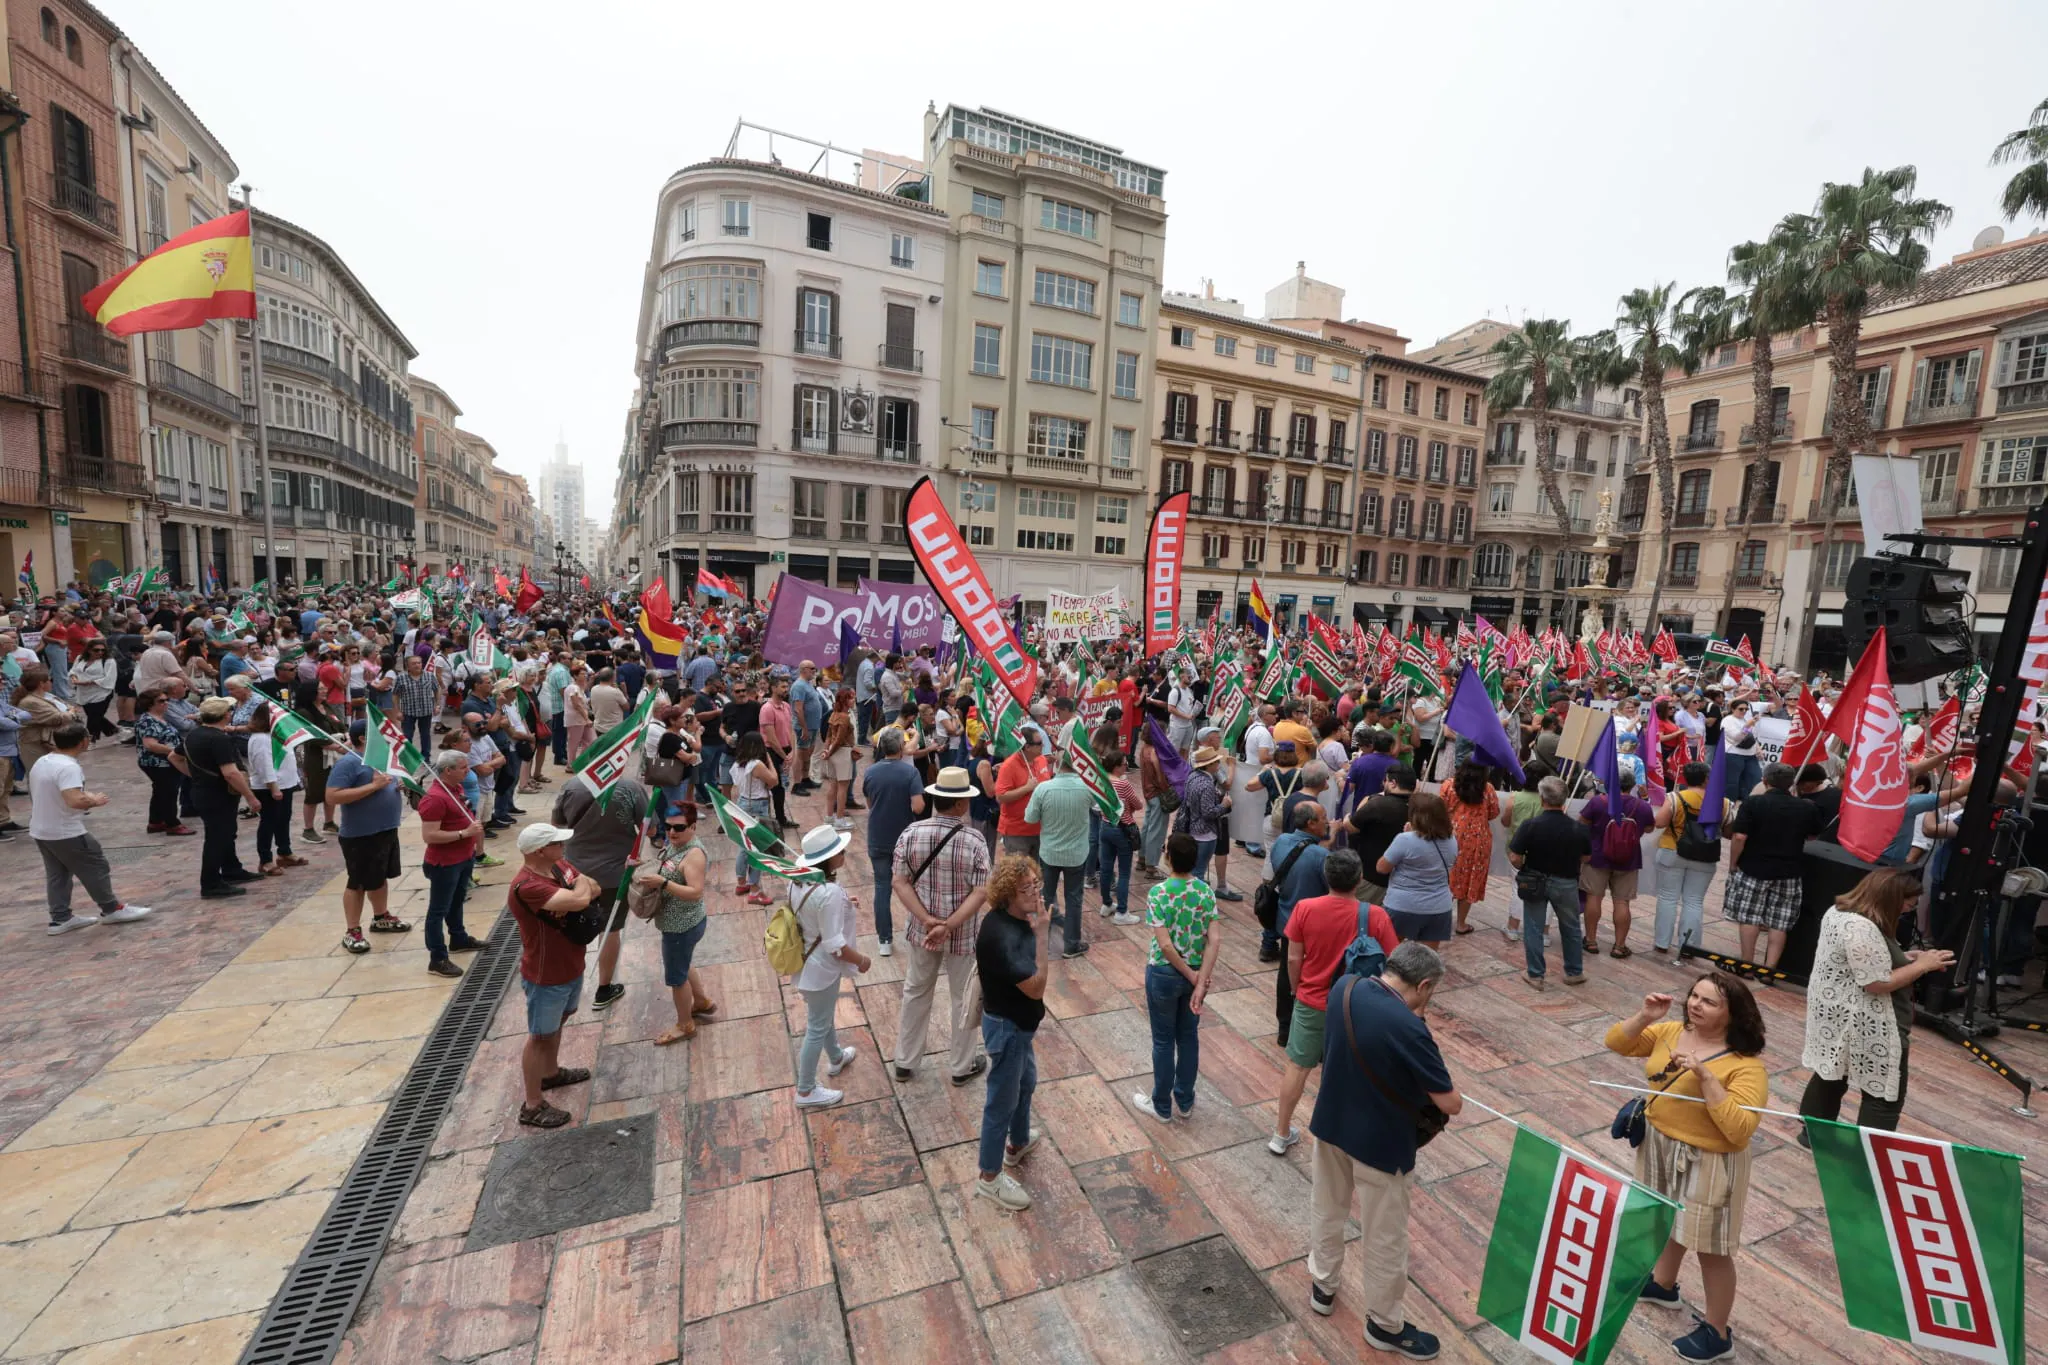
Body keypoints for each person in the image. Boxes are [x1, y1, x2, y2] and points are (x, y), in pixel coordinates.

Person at [1306, 942, 1461, 1357]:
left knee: (1327, 1210)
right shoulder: (1410, 1028)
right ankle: (1384, 1325)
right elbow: (1451, 1103)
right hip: (1380, 1145)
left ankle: (1322, 1287)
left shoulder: (1346, 986)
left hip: (1330, 1123)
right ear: (1423, 985)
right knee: (1385, 1237)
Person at [1607, 975, 1770, 1362]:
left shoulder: (1747, 1068)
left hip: (1710, 1159)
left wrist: (1706, 1076)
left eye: (1709, 1002)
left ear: (1734, 1015)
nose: (1696, 1005)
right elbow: (1617, 1042)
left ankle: (1717, 1333)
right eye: (1694, 996)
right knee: (1665, 1218)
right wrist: (1644, 1015)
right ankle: (1663, 1285)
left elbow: (1739, 1130)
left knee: (1711, 1248)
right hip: (1660, 1144)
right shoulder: (1670, 1031)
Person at [1797, 868, 1951, 1136]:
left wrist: (1904, 958)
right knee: (1884, 1096)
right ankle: (1871, 1156)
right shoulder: (1862, 928)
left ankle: (1813, 1136)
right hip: (1867, 1021)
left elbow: (1862, 960)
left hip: (1834, 1014)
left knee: (1831, 1072)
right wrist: (1923, 966)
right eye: (1906, 904)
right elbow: (1876, 983)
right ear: (1890, 897)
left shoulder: (1839, 912)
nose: (1906, 910)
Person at [1270, 848, 1394, 1156]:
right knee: (1346, 1073)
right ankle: (1337, 1139)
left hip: (1312, 999)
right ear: (1360, 878)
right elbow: (1392, 962)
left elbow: (1293, 957)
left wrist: (1298, 990)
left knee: (1298, 1067)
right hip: (1356, 1006)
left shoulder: (1304, 909)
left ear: (1326, 877)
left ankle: (1281, 1132)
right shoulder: (1375, 915)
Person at [889, 766, 993, 1084]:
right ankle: (961, 1067)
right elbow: (981, 892)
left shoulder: (911, 834)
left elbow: (900, 882)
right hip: (962, 934)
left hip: (922, 931)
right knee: (964, 997)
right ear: (961, 803)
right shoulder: (974, 840)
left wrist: (927, 920)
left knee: (916, 991)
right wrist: (948, 925)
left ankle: (905, 1061)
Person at [506, 822, 599, 1128]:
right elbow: (582, 898)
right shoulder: (528, 886)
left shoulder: (557, 866)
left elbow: (593, 886)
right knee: (539, 1036)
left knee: (559, 1022)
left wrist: (578, 891)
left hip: (570, 963)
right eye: (557, 843)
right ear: (539, 851)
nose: (563, 847)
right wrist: (577, 892)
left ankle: (550, 1072)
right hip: (546, 973)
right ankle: (532, 1105)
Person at [973, 853, 1049, 1211]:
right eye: (1025, 890)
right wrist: (1044, 937)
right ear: (1007, 896)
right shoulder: (1000, 934)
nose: (1034, 893)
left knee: (1026, 1083)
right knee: (1000, 1103)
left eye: (1035, 884)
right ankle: (989, 1178)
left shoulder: (1017, 918)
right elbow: (1035, 987)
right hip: (1007, 1028)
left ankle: (1017, 1144)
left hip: (1020, 1025)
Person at [31, 721, 152, 933]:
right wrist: (93, 800)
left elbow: (56, 791)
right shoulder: (69, 767)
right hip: (66, 830)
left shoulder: (44, 760)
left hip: (42, 829)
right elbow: (73, 800)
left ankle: (60, 918)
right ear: (83, 742)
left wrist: (83, 796)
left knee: (57, 874)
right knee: (96, 866)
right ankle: (111, 908)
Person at [1135, 832, 1220, 1122]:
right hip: (1195, 972)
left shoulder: (1158, 893)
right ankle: (1184, 1100)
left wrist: (1190, 975)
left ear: (1168, 856)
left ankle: (1161, 1105)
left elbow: (1166, 945)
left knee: (1162, 1041)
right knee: (1188, 1037)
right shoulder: (1205, 892)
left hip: (1164, 973)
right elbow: (1214, 940)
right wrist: (1200, 979)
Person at [552, 774, 649, 1011]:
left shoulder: (570, 786)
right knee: (611, 929)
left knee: (572, 926)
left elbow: (556, 826)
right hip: (616, 873)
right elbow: (650, 826)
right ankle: (603, 988)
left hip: (575, 872)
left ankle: (565, 985)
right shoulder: (631, 787)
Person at [791, 822, 870, 1109]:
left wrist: (843, 902)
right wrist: (861, 960)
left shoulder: (797, 881)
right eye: (840, 850)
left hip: (805, 962)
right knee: (816, 1026)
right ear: (829, 859)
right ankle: (806, 1090)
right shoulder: (829, 892)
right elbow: (834, 944)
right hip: (820, 969)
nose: (844, 853)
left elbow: (813, 913)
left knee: (821, 1016)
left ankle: (836, 1056)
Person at [1723, 762, 1821, 971]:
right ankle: (1769, 969)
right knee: (1780, 922)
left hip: (1754, 868)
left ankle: (1747, 964)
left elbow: (1739, 836)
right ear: (1790, 784)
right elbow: (1813, 834)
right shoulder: (1806, 807)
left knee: (1750, 917)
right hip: (1790, 872)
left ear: (1765, 781)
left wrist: (1733, 863)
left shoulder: (1753, 803)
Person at [326, 720, 414, 950]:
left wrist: (395, 786)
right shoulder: (349, 763)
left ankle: (381, 916)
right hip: (360, 834)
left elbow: (384, 783)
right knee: (358, 882)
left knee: (380, 876)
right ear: (364, 738)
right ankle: (352, 930)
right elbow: (333, 796)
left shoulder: (382, 760)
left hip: (385, 829)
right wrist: (374, 787)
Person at [636, 800, 716, 1045]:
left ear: (693, 827)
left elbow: (696, 891)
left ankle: (685, 1024)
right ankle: (701, 1001)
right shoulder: (676, 846)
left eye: (679, 828)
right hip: (680, 923)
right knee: (683, 962)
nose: (672, 832)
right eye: (669, 827)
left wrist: (663, 883)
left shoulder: (693, 855)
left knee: (676, 978)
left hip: (681, 925)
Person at [1508, 776, 1591, 990]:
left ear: (1542, 798)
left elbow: (1515, 856)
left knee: (1534, 927)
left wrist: (1523, 868)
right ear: (1564, 799)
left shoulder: (1531, 825)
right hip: (1566, 882)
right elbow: (1586, 857)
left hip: (1535, 880)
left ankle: (1535, 975)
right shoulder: (1578, 828)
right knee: (1571, 927)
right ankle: (1574, 972)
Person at [180, 695, 263, 899]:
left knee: (226, 833)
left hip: (203, 791)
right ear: (226, 716)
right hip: (218, 794)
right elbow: (230, 773)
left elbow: (175, 757)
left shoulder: (194, 734)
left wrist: (194, 775)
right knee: (217, 839)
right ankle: (210, 883)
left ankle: (231, 869)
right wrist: (250, 797)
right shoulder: (219, 739)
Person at [1268, 802, 1331, 1048]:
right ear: (1310, 823)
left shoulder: (1281, 841)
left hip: (1285, 919)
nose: (1328, 821)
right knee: (1313, 978)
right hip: (1313, 927)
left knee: (1286, 972)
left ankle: (1284, 1029)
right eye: (1324, 817)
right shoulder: (1321, 856)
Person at [418, 748, 486, 978]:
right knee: (438, 910)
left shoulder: (455, 788)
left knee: (457, 902)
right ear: (448, 770)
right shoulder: (435, 798)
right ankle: (437, 958)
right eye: (464, 767)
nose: (468, 770)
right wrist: (464, 833)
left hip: (463, 858)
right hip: (445, 863)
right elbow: (430, 836)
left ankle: (458, 937)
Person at [861, 726, 925, 956]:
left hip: (878, 836)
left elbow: (870, 803)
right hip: (905, 839)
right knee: (915, 886)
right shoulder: (910, 774)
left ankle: (884, 940)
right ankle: (915, 927)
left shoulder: (870, 772)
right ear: (900, 748)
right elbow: (918, 806)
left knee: (882, 887)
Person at [1025, 748, 1095, 959]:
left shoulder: (1044, 789)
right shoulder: (1087, 789)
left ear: (1058, 764)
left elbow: (1030, 818)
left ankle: (1039, 942)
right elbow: (1099, 807)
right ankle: (1071, 944)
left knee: (1044, 896)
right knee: (1074, 898)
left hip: (1050, 853)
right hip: (1076, 854)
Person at [1579, 769, 1656, 957]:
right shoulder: (1642, 806)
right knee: (1622, 902)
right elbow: (1649, 827)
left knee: (1593, 897)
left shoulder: (1598, 802)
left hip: (1596, 857)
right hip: (1628, 860)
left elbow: (1581, 822)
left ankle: (1590, 941)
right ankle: (1619, 946)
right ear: (1631, 786)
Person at [1653, 761, 1726, 956]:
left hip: (1673, 850)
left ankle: (1662, 942)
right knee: (1694, 901)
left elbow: (1659, 822)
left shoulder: (1675, 798)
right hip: (1706, 855)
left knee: (1668, 898)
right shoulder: (1722, 802)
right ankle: (1689, 945)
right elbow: (1728, 830)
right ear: (1706, 779)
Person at [1376, 789, 1458, 947]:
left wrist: (1406, 834)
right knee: (1426, 959)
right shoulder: (1452, 840)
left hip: (1402, 904)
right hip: (1438, 906)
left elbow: (1382, 867)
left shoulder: (1405, 839)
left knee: (1389, 952)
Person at [246, 704, 307, 876]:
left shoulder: (276, 735)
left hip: (285, 783)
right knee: (269, 822)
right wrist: (273, 786)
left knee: (283, 819)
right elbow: (263, 764)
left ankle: (284, 851)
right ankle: (265, 860)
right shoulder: (260, 738)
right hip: (269, 787)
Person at [1439, 762, 1498, 935]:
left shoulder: (1449, 785)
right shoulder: (1488, 789)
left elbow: (1441, 809)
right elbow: (1494, 812)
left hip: (1451, 836)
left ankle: (1440, 920)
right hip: (1478, 840)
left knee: (1445, 877)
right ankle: (1461, 923)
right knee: (1470, 878)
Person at [132, 687, 192, 836]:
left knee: (160, 791)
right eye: (161, 701)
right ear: (150, 704)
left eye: (167, 700)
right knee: (169, 792)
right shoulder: (147, 720)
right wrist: (172, 751)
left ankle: (156, 821)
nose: (165, 703)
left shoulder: (159, 717)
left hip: (164, 761)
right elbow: (150, 744)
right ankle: (172, 823)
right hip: (158, 763)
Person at [729, 731, 780, 907]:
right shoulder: (756, 764)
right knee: (758, 848)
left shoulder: (738, 764)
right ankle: (755, 890)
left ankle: (741, 883)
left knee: (744, 846)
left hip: (743, 803)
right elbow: (774, 780)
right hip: (757, 805)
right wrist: (769, 760)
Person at [994, 723, 1049, 863]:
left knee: (1037, 875)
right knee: (1019, 877)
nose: (1043, 745)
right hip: (1017, 831)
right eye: (1039, 743)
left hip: (1041, 828)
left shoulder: (1042, 760)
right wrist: (1026, 788)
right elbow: (1001, 796)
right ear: (1027, 746)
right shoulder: (1008, 766)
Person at [68, 638, 119, 741]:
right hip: (84, 693)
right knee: (95, 716)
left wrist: (87, 682)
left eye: (102, 650)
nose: (100, 652)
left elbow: (109, 678)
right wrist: (73, 677)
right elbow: (73, 670)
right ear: (89, 650)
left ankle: (91, 739)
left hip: (101, 693)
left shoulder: (108, 661)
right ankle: (111, 730)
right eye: (96, 650)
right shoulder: (80, 658)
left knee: (93, 718)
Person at [820, 688, 857, 829]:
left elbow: (829, 736)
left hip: (833, 753)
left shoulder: (834, 714)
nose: (853, 700)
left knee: (833, 786)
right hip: (841, 753)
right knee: (843, 788)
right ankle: (840, 820)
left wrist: (826, 750)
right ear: (844, 700)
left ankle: (829, 817)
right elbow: (840, 740)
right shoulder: (845, 717)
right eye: (851, 698)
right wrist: (829, 752)